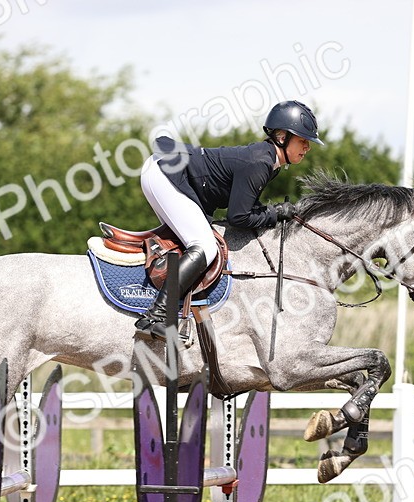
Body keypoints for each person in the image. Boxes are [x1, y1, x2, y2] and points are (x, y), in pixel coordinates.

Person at [134, 100, 324, 340]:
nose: (307, 148)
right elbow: (239, 217)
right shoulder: (260, 162)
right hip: (166, 173)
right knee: (204, 247)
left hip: (163, 170)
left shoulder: (268, 161)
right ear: (282, 136)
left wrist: (271, 211)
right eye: (303, 140)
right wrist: (275, 213)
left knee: (188, 242)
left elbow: (245, 207)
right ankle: (156, 316)